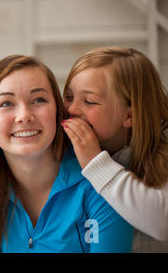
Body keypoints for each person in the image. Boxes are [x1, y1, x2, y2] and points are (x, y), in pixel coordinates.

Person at [0, 55, 133, 253]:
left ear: (58, 113)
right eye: (6, 103)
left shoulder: (103, 186)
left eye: (38, 100)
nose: (24, 115)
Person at [62, 47, 168, 252]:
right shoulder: (66, 150)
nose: (72, 109)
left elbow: (162, 223)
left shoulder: (162, 153)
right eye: (68, 97)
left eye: (89, 101)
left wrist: (95, 163)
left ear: (130, 116)